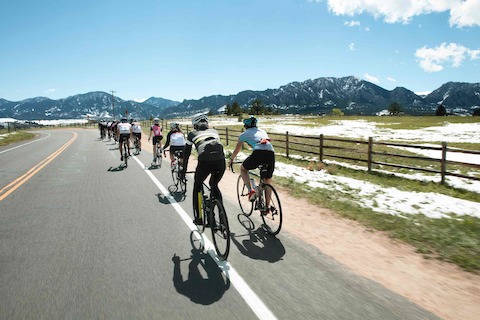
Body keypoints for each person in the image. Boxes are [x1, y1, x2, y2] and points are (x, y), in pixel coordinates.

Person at [182, 114, 226, 225]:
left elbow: (186, 154)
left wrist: (183, 171)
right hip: (221, 161)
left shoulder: (192, 134)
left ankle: (199, 218)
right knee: (214, 185)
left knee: (197, 186)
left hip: (205, 162)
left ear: (195, 125)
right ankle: (222, 218)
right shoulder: (214, 131)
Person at [228, 116, 275, 206]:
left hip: (258, 153)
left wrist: (231, 159)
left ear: (246, 126)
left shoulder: (244, 134)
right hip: (271, 153)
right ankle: (267, 207)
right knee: (267, 180)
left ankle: (251, 191)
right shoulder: (262, 131)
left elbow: (237, 150)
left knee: (243, 169)